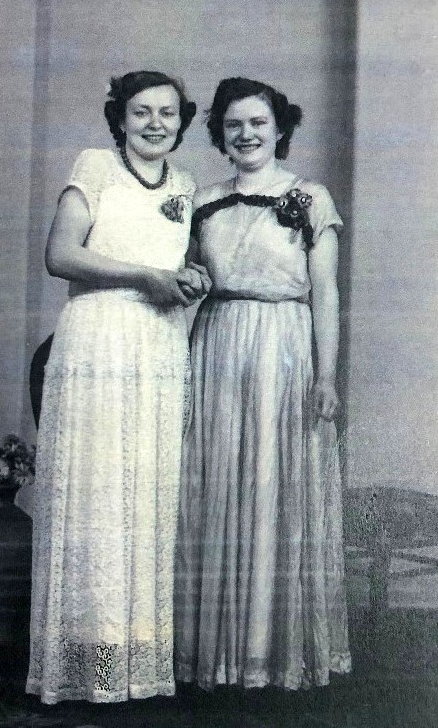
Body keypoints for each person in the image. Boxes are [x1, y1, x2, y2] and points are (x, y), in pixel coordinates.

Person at [26, 71, 210, 705]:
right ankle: (95, 673)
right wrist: (145, 276)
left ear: (182, 122)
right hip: (100, 341)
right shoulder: (95, 166)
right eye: (141, 112)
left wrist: (188, 277)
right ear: (120, 118)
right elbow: (60, 255)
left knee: (145, 500)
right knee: (99, 500)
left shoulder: (185, 185)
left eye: (167, 113)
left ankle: (133, 668)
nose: (155, 123)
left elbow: (172, 261)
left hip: (159, 346)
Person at [175, 77, 351, 691]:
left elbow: (325, 293)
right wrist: (189, 278)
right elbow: (186, 275)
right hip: (218, 345)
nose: (246, 135)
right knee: (215, 485)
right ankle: (212, 658)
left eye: (258, 123)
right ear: (219, 135)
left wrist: (326, 375)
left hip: (284, 347)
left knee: (276, 486)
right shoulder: (202, 201)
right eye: (233, 125)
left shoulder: (310, 197)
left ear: (280, 129)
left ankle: (270, 658)